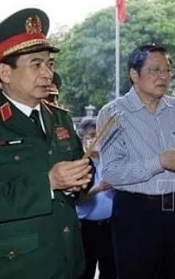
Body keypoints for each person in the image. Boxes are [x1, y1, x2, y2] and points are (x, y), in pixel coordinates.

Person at [0, 8, 93, 279]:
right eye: (36, 64)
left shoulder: (60, 119)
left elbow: (79, 170)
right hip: (13, 268)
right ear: (5, 71)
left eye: (50, 64)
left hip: (68, 263)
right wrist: (47, 183)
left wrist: (81, 179)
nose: (47, 74)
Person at [97, 43, 175, 279]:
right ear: (134, 74)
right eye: (155, 70)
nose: (163, 76)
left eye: (167, 70)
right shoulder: (113, 114)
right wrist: (160, 162)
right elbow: (112, 173)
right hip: (135, 212)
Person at [76, 118, 116, 279]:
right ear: (82, 139)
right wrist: (99, 188)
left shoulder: (112, 163)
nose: (96, 140)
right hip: (86, 228)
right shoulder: (79, 164)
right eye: (91, 136)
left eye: (99, 135)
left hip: (110, 226)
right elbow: (77, 199)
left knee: (110, 270)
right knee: (86, 271)